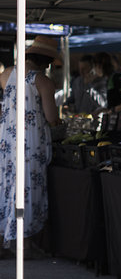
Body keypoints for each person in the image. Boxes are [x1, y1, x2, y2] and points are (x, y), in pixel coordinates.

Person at [0, 35, 62, 249]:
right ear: (45, 60)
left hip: (8, 141)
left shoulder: (7, 74)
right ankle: (23, 242)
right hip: (30, 142)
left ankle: (5, 237)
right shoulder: (43, 81)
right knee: (28, 187)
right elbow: (52, 117)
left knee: (8, 186)